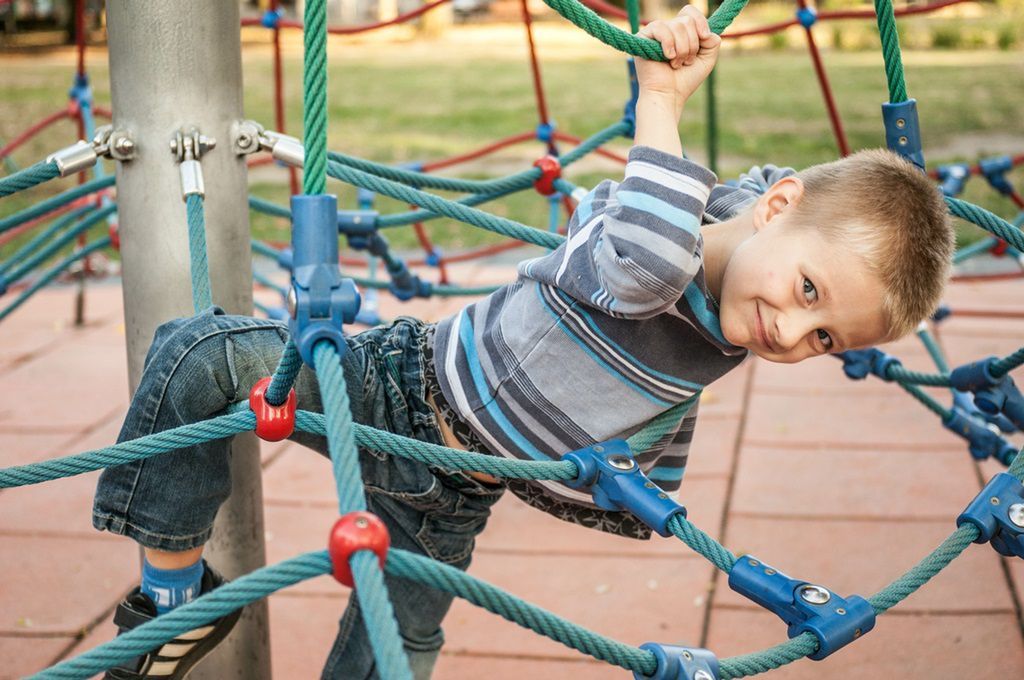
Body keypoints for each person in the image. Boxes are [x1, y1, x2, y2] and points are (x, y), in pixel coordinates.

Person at [92, 5, 954, 679]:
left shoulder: (753, 251)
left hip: (462, 488)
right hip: (397, 386)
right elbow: (651, 262)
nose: (790, 333)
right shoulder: (653, 241)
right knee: (198, 354)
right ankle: (177, 599)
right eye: (807, 293)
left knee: (395, 647)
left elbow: (774, 206)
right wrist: (663, 98)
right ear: (774, 209)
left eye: (826, 337)